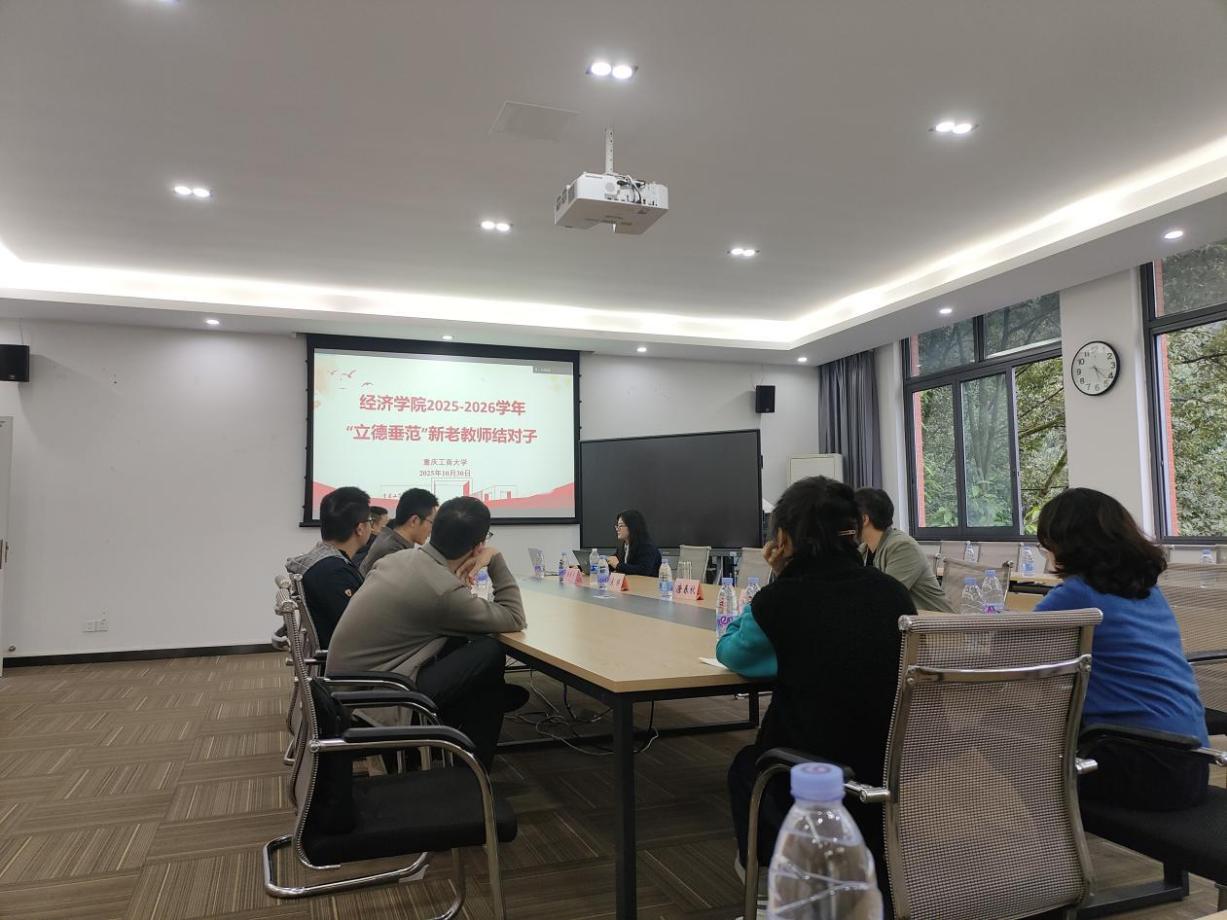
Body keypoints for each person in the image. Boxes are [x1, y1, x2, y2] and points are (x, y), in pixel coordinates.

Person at [720, 476, 914, 910]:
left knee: (746, 768)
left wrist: (776, 580)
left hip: (812, 779)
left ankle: (769, 889)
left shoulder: (779, 601)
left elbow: (733, 653)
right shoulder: (893, 594)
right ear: (855, 530)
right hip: (891, 769)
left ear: (783, 540)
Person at [1034, 487, 1209, 811]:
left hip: (1146, 764)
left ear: (1064, 542)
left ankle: (1056, 830)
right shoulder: (1147, 590)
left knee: (1002, 730)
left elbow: (1008, 648)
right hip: (1192, 761)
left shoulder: (1077, 594)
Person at [326, 496, 526, 767]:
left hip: (343, 691)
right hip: (373, 701)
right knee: (489, 651)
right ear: (479, 545)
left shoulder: (399, 559)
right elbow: (514, 617)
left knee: (476, 671)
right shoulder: (441, 590)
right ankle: (471, 771)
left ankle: (468, 738)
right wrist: (496, 558)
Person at [285, 487, 370, 649]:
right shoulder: (333, 572)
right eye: (369, 521)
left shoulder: (324, 563)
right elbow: (360, 630)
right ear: (360, 528)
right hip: (347, 658)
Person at [854, 487, 953, 613]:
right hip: (901, 621)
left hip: (935, 622)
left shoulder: (903, 547)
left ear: (864, 519)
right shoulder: (863, 550)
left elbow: (884, 597)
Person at [358, 488, 438, 577]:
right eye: (431, 522)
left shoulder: (390, 540)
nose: (432, 529)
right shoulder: (393, 552)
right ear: (414, 521)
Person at [607, 509, 663, 577]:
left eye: (621, 526)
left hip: (647, 583)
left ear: (632, 527)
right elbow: (614, 562)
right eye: (617, 526)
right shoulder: (623, 546)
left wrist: (618, 565)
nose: (617, 529)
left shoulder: (647, 546)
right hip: (630, 583)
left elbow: (643, 571)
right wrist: (604, 564)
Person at [351, 506, 389, 571]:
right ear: (372, 524)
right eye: (385, 525)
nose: (388, 529)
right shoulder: (377, 549)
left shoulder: (354, 544)